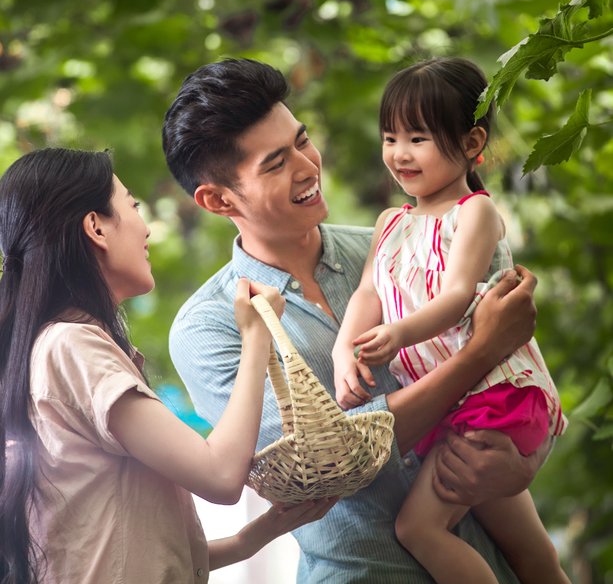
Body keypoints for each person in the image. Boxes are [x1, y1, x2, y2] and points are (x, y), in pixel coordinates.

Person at [164, 58, 551, 584]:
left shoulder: (397, 244)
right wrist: (480, 352)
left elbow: (505, 385)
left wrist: (521, 460)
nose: (307, 166)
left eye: (302, 141)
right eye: (276, 163)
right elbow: (321, 467)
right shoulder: (208, 328)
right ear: (217, 199)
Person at [0, 147, 335, 584]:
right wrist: (256, 336)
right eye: (133, 206)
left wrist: (251, 539)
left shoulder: (53, 346)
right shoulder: (71, 346)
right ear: (96, 227)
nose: (146, 229)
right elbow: (219, 476)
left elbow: (121, 547)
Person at [332, 58, 568, 584]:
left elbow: (459, 294)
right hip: (454, 402)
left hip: (491, 397)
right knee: (532, 552)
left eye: (418, 137)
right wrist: (342, 350)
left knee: (419, 529)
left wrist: (399, 333)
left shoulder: (474, 212)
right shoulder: (391, 221)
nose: (399, 153)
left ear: (470, 142)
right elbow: (370, 289)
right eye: (391, 137)